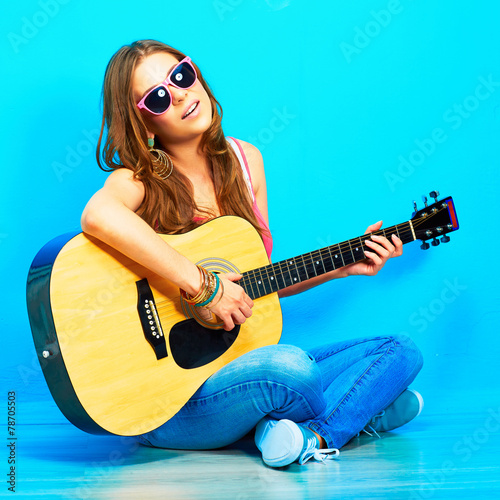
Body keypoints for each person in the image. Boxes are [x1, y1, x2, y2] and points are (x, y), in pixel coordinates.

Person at [81, 40, 424, 468]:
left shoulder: (246, 162)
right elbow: (98, 215)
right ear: (144, 122)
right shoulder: (142, 177)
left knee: (399, 350)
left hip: (241, 368)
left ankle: (307, 435)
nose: (182, 94)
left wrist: (342, 268)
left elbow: (255, 285)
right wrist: (203, 286)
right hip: (167, 401)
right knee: (292, 368)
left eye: (182, 76)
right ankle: (353, 415)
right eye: (159, 97)